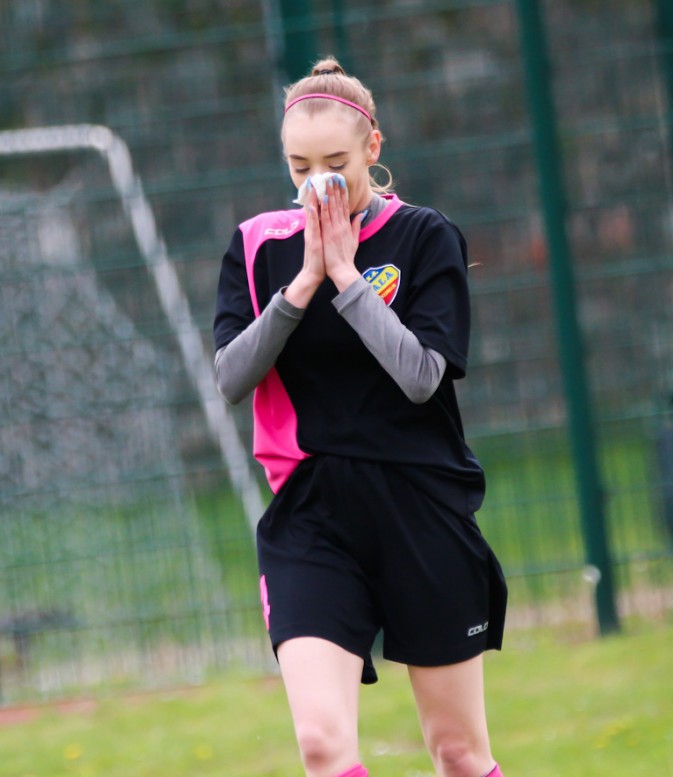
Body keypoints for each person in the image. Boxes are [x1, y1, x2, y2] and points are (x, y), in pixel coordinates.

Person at [213, 57, 506, 777]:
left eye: (336, 164)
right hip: (313, 513)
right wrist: (303, 283)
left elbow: (421, 377)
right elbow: (231, 377)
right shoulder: (258, 245)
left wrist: (345, 277)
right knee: (321, 744)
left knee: (458, 752)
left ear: (372, 148)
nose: (319, 182)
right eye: (300, 167)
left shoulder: (426, 237)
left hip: (420, 503)